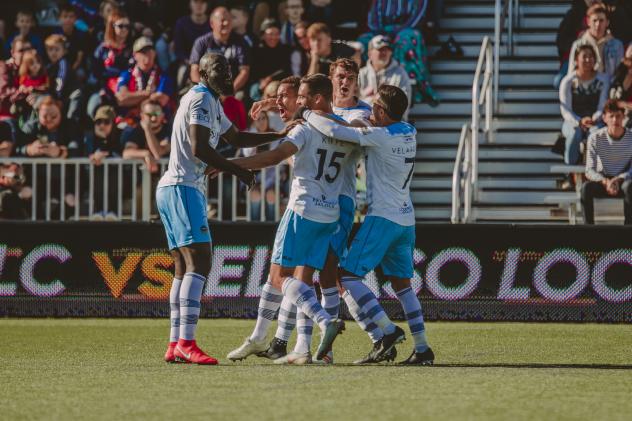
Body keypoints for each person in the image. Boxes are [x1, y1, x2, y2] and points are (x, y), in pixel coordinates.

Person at [156, 52, 289, 365]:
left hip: (177, 187)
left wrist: (278, 135)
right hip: (182, 187)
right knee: (200, 259)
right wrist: (238, 170)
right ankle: (187, 343)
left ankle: (176, 343)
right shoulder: (201, 99)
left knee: (183, 266)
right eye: (220, 69)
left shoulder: (212, 101)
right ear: (202, 73)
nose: (227, 74)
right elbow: (199, 147)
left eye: (229, 69)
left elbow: (237, 136)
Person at [301, 84, 434, 365]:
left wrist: (306, 114)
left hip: (382, 218)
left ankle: (386, 331)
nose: (372, 110)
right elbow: (369, 127)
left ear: (382, 111)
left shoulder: (379, 137)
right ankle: (422, 349)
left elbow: (339, 132)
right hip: (406, 219)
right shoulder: (410, 130)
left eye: (376, 107)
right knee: (403, 287)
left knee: (346, 277)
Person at [226, 74, 349, 364]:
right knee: (301, 280)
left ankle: (322, 321)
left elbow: (273, 157)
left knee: (278, 277)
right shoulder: (343, 128)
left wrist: (229, 165)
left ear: (309, 98)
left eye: (295, 97)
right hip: (329, 213)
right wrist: (276, 104)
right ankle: (298, 347)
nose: (286, 102)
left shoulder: (304, 129)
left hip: (303, 210)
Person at [581, 99, 632, 224]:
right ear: (604, 118)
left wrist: (619, 178)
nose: (615, 120)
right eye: (611, 116)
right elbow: (589, 169)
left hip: (623, 181)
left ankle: (629, 230)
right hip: (603, 180)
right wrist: (605, 181)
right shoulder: (595, 138)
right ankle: (589, 232)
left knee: (630, 187)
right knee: (586, 188)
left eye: (618, 116)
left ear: (623, 117)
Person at [560, 45, 609, 166]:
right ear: (576, 60)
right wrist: (579, 121)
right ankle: (569, 169)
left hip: (595, 121)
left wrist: (593, 119)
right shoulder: (568, 81)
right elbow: (565, 110)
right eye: (584, 56)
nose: (588, 60)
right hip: (573, 121)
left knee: (597, 133)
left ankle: (594, 168)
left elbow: (602, 105)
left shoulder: (603, 79)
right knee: (574, 133)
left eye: (591, 56)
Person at [189, 6, 251, 94]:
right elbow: (194, 70)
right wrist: (208, 92)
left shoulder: (241, 42)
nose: (226, 23)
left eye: (229, 20)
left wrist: (229, 91)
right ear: (212, 23)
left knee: (241, 96)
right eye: (222, 20)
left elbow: (244, 71)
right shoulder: (201, 42)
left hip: (231, 88)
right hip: (206, 89)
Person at [115, 36, 172, 124]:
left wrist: (132, 98)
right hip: (130, 122)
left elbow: (161, 99)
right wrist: (148, 94)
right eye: (143, 52)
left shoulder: (162, 75)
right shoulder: (127, 74)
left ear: (155, 53)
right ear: (135, 55)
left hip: (156, 123)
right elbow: (122, 99)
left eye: (150, 51)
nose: (147, 54)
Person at [89, 9, 133, 117]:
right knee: (93, 107)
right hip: (104, 88)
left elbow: (132, 70)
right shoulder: (102, 49)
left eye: (127, 26)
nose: (124, 29)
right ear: (112, 26)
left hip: (126, 88)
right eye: (121, 26)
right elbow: (96, 72)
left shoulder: (131, 48)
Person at [84, 104, 123, 219]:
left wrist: (105, 144)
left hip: (119, 179)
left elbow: (120, 153)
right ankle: (98, 210)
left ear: (113, 123)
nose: (102, 125)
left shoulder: (120, 134)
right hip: (95, 178)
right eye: (98, 122)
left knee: (113, 173)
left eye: (106, 122)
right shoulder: (89, 136)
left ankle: (113, 211)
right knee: (97, 172)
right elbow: (87, 153)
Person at [566, 4, 624, 81]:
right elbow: (571, 74)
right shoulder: (578, 45)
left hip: (610, 87)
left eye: (601, 20)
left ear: (607, 22)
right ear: (588, 22)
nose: (598, 24)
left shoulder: (617, 45)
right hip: (586, 88)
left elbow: (620, 73)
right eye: (594, 20)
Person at [359, 35, 412, 116]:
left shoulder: (400, 74)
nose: (384, 52)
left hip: (392, 125)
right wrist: (377, 100)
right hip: (365, 123)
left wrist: (372, 99)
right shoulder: (360, 74)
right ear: (370, 53)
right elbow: (353, 104)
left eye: (387, 49)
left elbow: (402, 105)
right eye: (380, 49)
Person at [121, 99, 170, 173]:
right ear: (142, 115)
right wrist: (145, 154)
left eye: (157, 113)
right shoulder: (136, 130)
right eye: (149, 115)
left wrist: (147, 129)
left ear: (162, 115)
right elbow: (126, 153)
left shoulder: (170, 130)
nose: (153, 118)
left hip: (165, 177)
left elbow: (158, 153)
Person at [249, 19, 291, 101]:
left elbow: (285, 69)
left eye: (277, 34)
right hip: (259, 82)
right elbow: (253, 70)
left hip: (278, 81)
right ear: (263, 35)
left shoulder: (284, 49)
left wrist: (269, 78)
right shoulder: (256, 50)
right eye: (270, 34)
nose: (274, 37)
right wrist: (261, 80)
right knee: (254, 92)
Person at [173, 0, 211, 92]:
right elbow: (178, 49)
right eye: (195, 2)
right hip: (188, 62)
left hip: (209, 63)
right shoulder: (181, 23)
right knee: (181, 72)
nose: (199, 5)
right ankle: (180, 97)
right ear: (190, 4)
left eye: (202, 2)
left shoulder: (212, 23)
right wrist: (191, 63)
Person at [44, 34, 82, 123]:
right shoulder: (49, 66)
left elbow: (61, 80)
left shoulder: (63, 63)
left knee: (71, 116)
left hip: (71, 94)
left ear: (64, 51)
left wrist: (57, 97)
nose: (53, 53)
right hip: (62, 97)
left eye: (57, 49)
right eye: (50, 50)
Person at [55, 4, 87, 72]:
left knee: (80, 74)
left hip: (76, 67)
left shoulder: (81, 35)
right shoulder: (55, 34)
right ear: (59, 18)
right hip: (59, 66)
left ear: (75, 19)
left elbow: (79, 59)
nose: (68, 19)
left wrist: (70, 72)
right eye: (65, 16)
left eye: (71, 16)